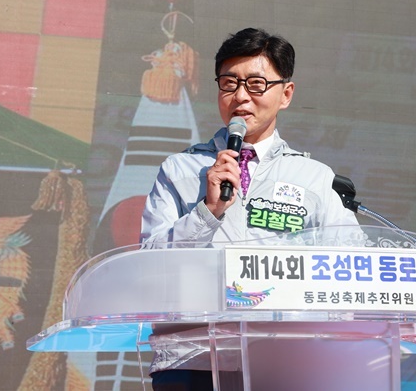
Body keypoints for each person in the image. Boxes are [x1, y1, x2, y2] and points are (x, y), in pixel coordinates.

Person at [141, 27, 359, 390]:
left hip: (286, 360)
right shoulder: (179, 170)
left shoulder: (315, 178)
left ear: (286, 94)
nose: (240, 96)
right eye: (229, 83)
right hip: (192, 359)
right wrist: (208, 211)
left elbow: (351, 266)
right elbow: (148, 265)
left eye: (256, 84)